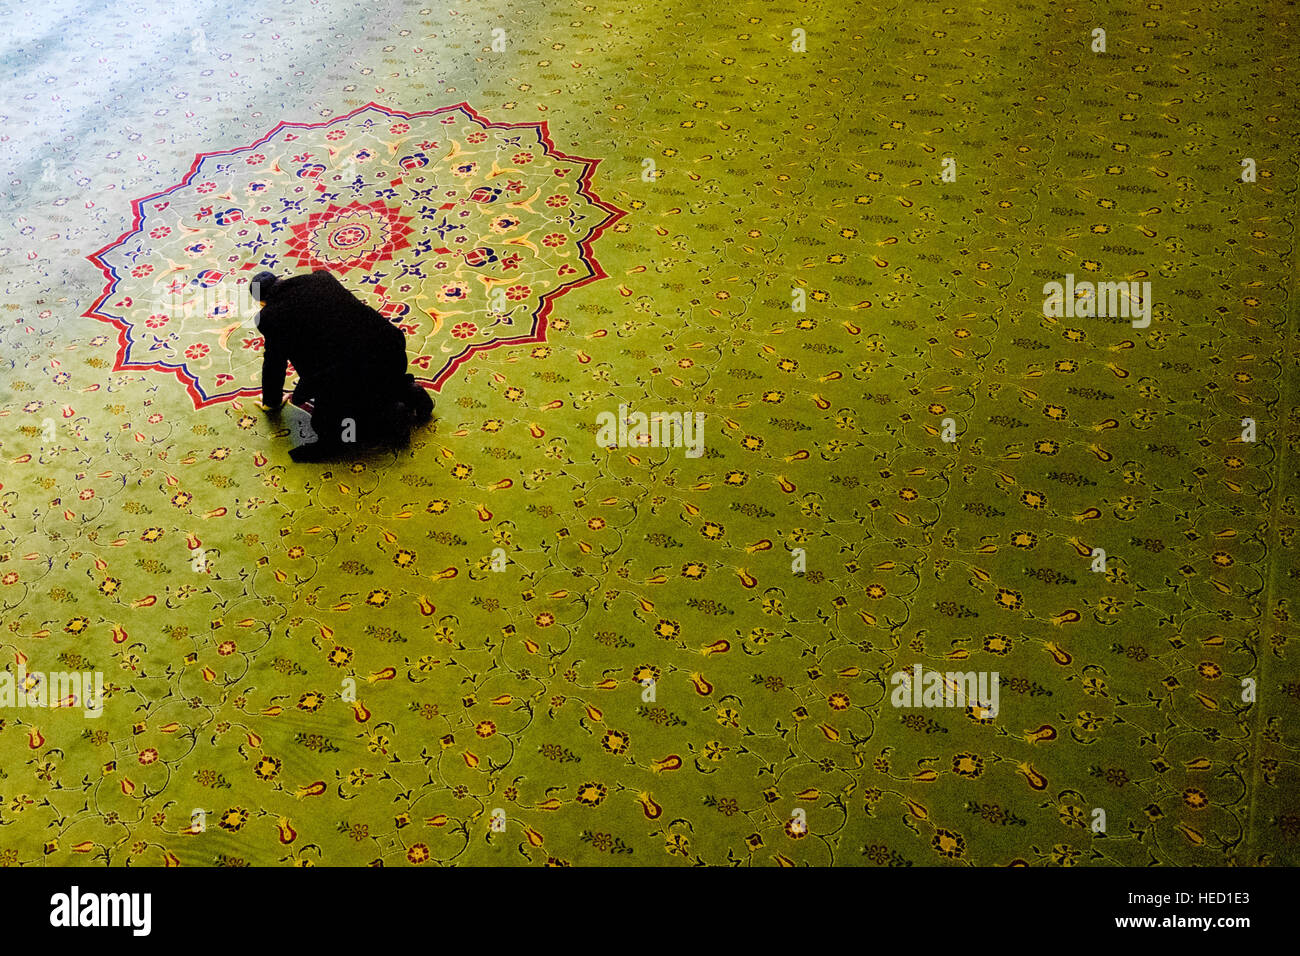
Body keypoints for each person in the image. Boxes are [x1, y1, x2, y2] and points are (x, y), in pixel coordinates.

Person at [250, 269, 433, 461]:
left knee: (330, 426)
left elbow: (274, 363)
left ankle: (387, 418)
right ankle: (406, 391)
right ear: (280, 279)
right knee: (370, 373)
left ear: (262, 302)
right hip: (391, 351)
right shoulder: (320, 277)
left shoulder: (269, 317)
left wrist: (271, 402)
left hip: (350, 376)